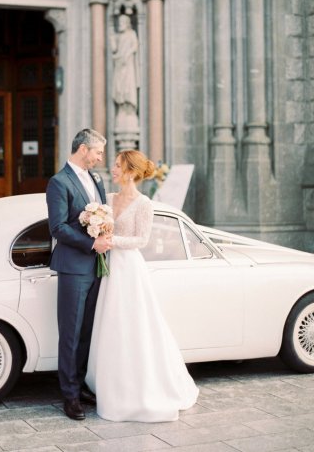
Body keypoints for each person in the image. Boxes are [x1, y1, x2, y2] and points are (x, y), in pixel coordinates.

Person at [86, 149, 199, 422]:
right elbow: (99, 227)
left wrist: (111, 241)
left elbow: (142, 240)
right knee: (109, 323)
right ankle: (108, 382)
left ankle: (140, 388)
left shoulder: (144, 203)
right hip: (108, 267)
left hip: (129, 269)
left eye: (117, 165)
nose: (112, 169)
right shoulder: (108, 199)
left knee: (133, 324)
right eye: (112, 164)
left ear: (131, 171)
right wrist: (93, 226)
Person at [46, 128, 110, 421]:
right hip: (73, 266)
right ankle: (69, 396)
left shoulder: (97, 179)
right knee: (70, 333)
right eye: (97, 152)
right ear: (83, 149)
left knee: (86, 331)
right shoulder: (59, 182)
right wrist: (91, 242)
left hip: (96, 266)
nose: (99, 158)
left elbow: (104, 213)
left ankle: (81, 384)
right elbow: (57, 227)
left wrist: (105, 231)